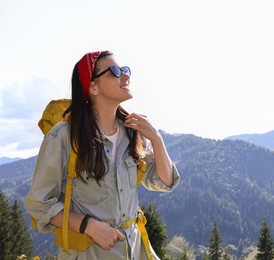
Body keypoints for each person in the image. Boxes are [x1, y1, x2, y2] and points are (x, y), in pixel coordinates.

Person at [24, 50, 180, 259]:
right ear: (93, 86)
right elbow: (39, 204)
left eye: (125, 70)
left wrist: (156, 139)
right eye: (115, 71)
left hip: (135, 251)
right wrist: (88, 226)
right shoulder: (63, 137)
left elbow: (165, 182)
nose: (125, 75)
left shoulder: (134, 133)